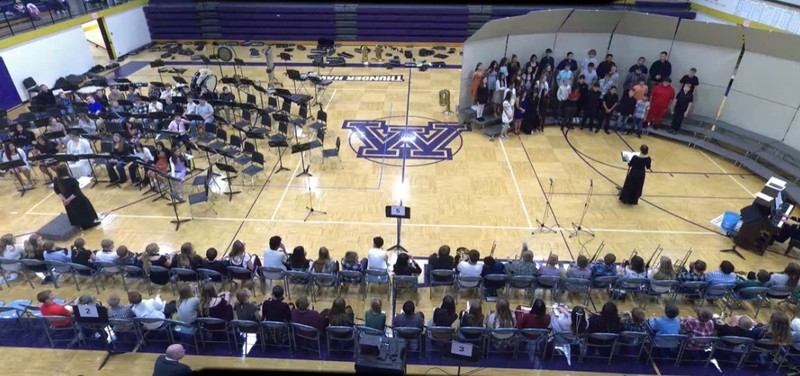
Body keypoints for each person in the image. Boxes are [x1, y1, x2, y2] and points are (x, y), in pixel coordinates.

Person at [53, 163, 100, 229]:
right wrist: (69, 199)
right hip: (77, 199)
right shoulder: (72, 180)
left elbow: (57, 190)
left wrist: (65, 199)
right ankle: (88, 224)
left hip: (66, 200)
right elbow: (76, 192)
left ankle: (78, 224)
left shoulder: (56, 180)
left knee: (74, 212)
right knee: (84, 210)